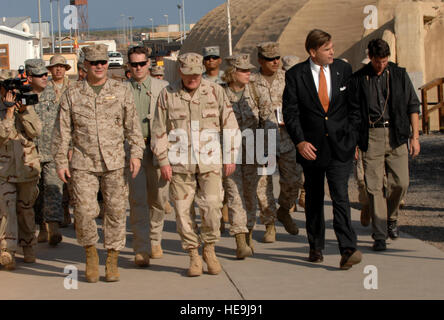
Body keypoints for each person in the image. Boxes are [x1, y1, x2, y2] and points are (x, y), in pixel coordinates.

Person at [52, 44, 145, 283]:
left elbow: (132, 126)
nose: (100, 66)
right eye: (94, 63)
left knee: (114, 211)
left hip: (114, 161)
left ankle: (112, 258)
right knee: (84, 212)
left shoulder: (121, 90)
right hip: (83, 163)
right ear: (85, 66)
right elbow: (62, 130)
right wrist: (61, 161)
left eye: (103, 62)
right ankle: (91, 254)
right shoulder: (72, 94)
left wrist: (136, 153)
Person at [151, 52, 239, 277]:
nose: (193, 78)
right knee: (182, 213)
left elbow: (230, 124)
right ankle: (193, 255)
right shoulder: (167, 94)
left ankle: (209, 249)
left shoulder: (214, 91)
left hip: (210, 163)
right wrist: (162, 161)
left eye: (197, 74)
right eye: (188, 74)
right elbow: (159, 130)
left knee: (212, 208)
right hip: (179, 164)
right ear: (180, 71)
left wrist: (230, 155)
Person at [283, 29, 362, 270]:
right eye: (327, 49)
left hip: (340, 147)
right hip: (312, 148)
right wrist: (300, 142)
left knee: (340, 197)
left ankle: (347, 248)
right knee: (315, 199)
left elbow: (354, 108)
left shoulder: (343, 70)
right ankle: (316, 246)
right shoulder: (296, 75)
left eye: (332, 48)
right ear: (313, 52)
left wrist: (353, 138)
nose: (332, 53)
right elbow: (291, 113)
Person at [349, 38, 420, 251]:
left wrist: (415, 137)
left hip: (397, 134)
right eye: (378, 60)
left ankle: (392, 217)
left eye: (385, 60)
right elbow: (352, 113)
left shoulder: (399, 75)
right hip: (370, 135)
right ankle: (379, 235)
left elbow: (413, 105)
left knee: (401, 183)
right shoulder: (358, 79)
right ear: (370, 57)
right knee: (373, 187)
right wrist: (354, 143)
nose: (381, 64)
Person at [249, 42, 303, 242]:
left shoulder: (289, 78)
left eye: (277, 58)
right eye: (270, 59)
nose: (275, 62)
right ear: (260, 60)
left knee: (293, 180)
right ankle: (269, 224)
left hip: (287, 138)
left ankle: (284, 209)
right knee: (263, 186)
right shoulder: (252, 82)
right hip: (263, 140)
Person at [126, 46, 169, 267]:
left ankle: (155, 238)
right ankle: (142, 246)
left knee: (159, 199)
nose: (139, 68)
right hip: (133, 150)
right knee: (137, 199)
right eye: (134, 64)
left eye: (142, 63)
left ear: (149, 64)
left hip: (158, 149)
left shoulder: (163, 88)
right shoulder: (122, 90)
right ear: (129, 66)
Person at [0, 69, 42, 270]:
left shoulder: (26, 104)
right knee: (6, 210)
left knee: (25, 209)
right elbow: (1, 135)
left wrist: (23, 111)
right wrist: (8, 112)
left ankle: (28, 248)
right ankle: (7, 250)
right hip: (4, 168)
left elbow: (36, 131)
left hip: (27, 166)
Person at [221, 53, 258, 259]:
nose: (248, 73)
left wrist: (267, 152)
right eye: (244, 70)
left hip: (253, 149)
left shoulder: (255, 92)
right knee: (234, 195)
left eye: (249, 70)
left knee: (250, 196)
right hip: (230, 152)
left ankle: (250, 231)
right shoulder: (219, 93)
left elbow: (266, 119)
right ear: (232, 73)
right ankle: (240, 239)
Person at [25, 59, 64, 247]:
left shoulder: (55, 94)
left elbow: (65, 122)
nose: (44, 78)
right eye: (39, 75)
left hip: (53, 150)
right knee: (36, 193)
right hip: (31, 153)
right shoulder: (23, 97)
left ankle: (53, 227)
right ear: (29, 77)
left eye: (45, 75)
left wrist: (68, 148)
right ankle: (41, 226)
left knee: (53, 188)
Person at [47, 55, 73, 228]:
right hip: (50, 139)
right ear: (50, 70)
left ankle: (75, 214)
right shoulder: (45, 88)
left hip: (70, 138)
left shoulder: (73, 88)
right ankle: (59, 214)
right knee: (55, 180)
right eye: (55, 67)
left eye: (62, 67)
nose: (58, 69)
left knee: (72, 181)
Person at [281, 55, 306, 211]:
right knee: (288, 170)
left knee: (303, 165)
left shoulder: (305, 83)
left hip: (301, 130)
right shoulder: (279, 84)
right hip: (282, 132)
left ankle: (304, 193)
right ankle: (290, 197)